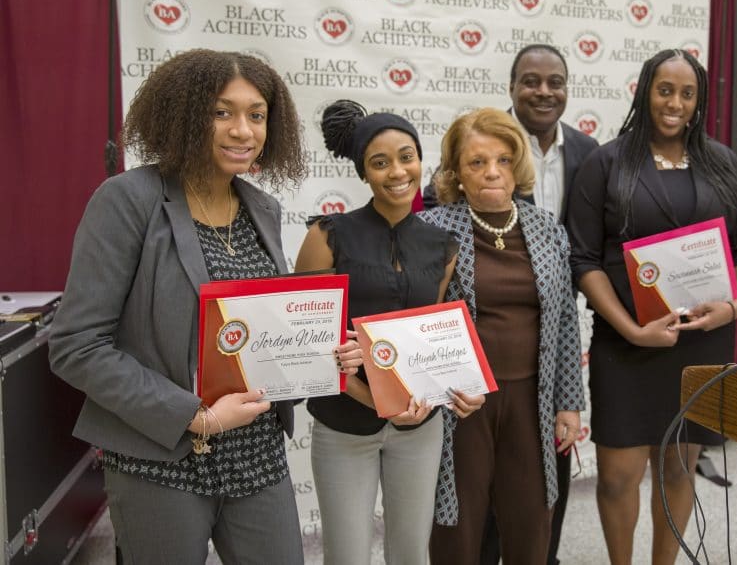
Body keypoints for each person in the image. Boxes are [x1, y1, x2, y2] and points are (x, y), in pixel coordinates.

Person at [47, 49, 362, 564]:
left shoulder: (262, 206)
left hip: (257, 454)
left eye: (256, 115)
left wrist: (321, 355)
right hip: (161, 461)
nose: (243, 130)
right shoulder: (128, 200)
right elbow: (77, 346)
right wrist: (196, 417)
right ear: (185, 114)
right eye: (223, 112)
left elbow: (259, 332)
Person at [567, 49, 737, 565]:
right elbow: (583, 258)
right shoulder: (605, 163)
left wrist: (736, 305)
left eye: (687, 93)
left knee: (678, 467)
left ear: (698, 101)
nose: (675, 103)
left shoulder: (722, 162)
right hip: (628, 346)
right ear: (645, 92)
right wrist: (631, 329)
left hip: (701, 344)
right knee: (617, 476)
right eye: (665, 89)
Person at [293, 100, 477, 565]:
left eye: (407, 156)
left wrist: (450, 391)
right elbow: (308, 344)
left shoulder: (444, 245)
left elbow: (429, 339)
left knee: (412, 554)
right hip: (344, 426)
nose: (397, 171)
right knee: (347, 555)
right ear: (363, 173)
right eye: (380, 162)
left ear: (421, 160)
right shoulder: (327, 235)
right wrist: (373, 399)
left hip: (420, 427)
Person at [419, 108, 585, 565]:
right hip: (460, 404)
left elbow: (566, 320)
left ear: (518, 167)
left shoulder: (546, 228)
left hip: (531, 399)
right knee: (457, 528)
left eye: (504, 160)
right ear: (455, 172)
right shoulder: (433, 231)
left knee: (532, 524)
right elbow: (420, 321)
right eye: (477, 162)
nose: (492, 172)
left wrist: (569, 402)